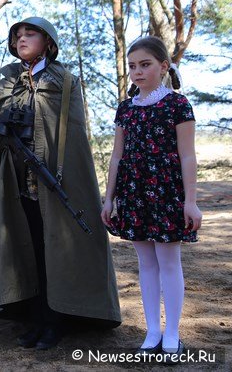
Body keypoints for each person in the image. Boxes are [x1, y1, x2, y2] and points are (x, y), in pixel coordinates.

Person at [0, 17, 121, 350]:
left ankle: (58, 319)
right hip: (18, 180)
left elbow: (72, 138)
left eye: (30, 34)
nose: (22, 39)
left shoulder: (64, 82)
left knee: (55, 249)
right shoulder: (9, 82)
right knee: (28, 246)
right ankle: (37, 317)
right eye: (17, 36)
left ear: (48, 42)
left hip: (54, 178)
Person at [101, 36, 201, 360]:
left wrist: (191, 200)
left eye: (145, 65)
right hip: (134, 192)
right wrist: (109, 198)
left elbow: (187, 156)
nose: (137, 72)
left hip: (168, 193)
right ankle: (152, 331)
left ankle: (172, 332)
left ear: (163, 66)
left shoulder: (177, 105)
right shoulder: (125, 109)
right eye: (132, 66)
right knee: (145, 263)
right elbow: (117, 156)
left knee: (168, 261)